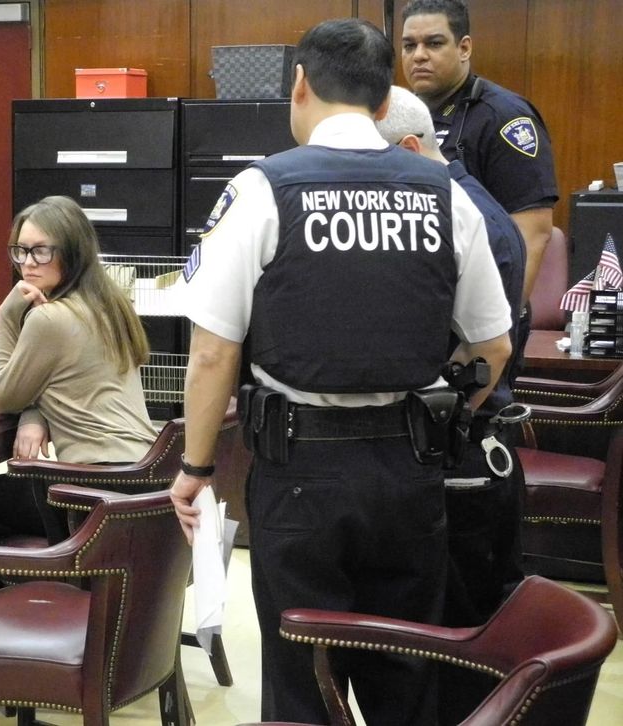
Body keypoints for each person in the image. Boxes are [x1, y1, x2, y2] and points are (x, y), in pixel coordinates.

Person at [169, 18, 512, 726]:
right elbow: (494, 347)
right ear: (385, 101)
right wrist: (432, 413)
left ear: (299, 84)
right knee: (406, 675)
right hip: (409, 471)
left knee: (302, 680)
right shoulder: (444, 193)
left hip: (299, 471)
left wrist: (196, 468)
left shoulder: (262, 190)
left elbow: (212, 353)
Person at [376, 85, 528, 722]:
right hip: (462, 449)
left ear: (410, 150)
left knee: (461, 654)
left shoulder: (462, 216)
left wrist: (434, 424)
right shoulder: (461, 202)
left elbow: (486, 353)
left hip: (463, 454)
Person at [0, 195, 158, 588]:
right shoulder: (111, 305)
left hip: (88, 493)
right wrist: (36, 413)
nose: (27, 263)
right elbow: (69, 379)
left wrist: (8, 315)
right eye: (20, 250)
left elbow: (3, 393)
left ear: (71, 252)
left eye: (41, 251)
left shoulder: (49, 318)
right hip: (143, 480)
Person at [400, 0, 558, 311]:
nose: (418, 55)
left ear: (464, 48)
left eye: (434, 43)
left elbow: (533, 233)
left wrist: (499, 325)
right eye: (409, 45)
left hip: (483, 310)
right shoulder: (401, 116)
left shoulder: (504, 117)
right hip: (425, 302)